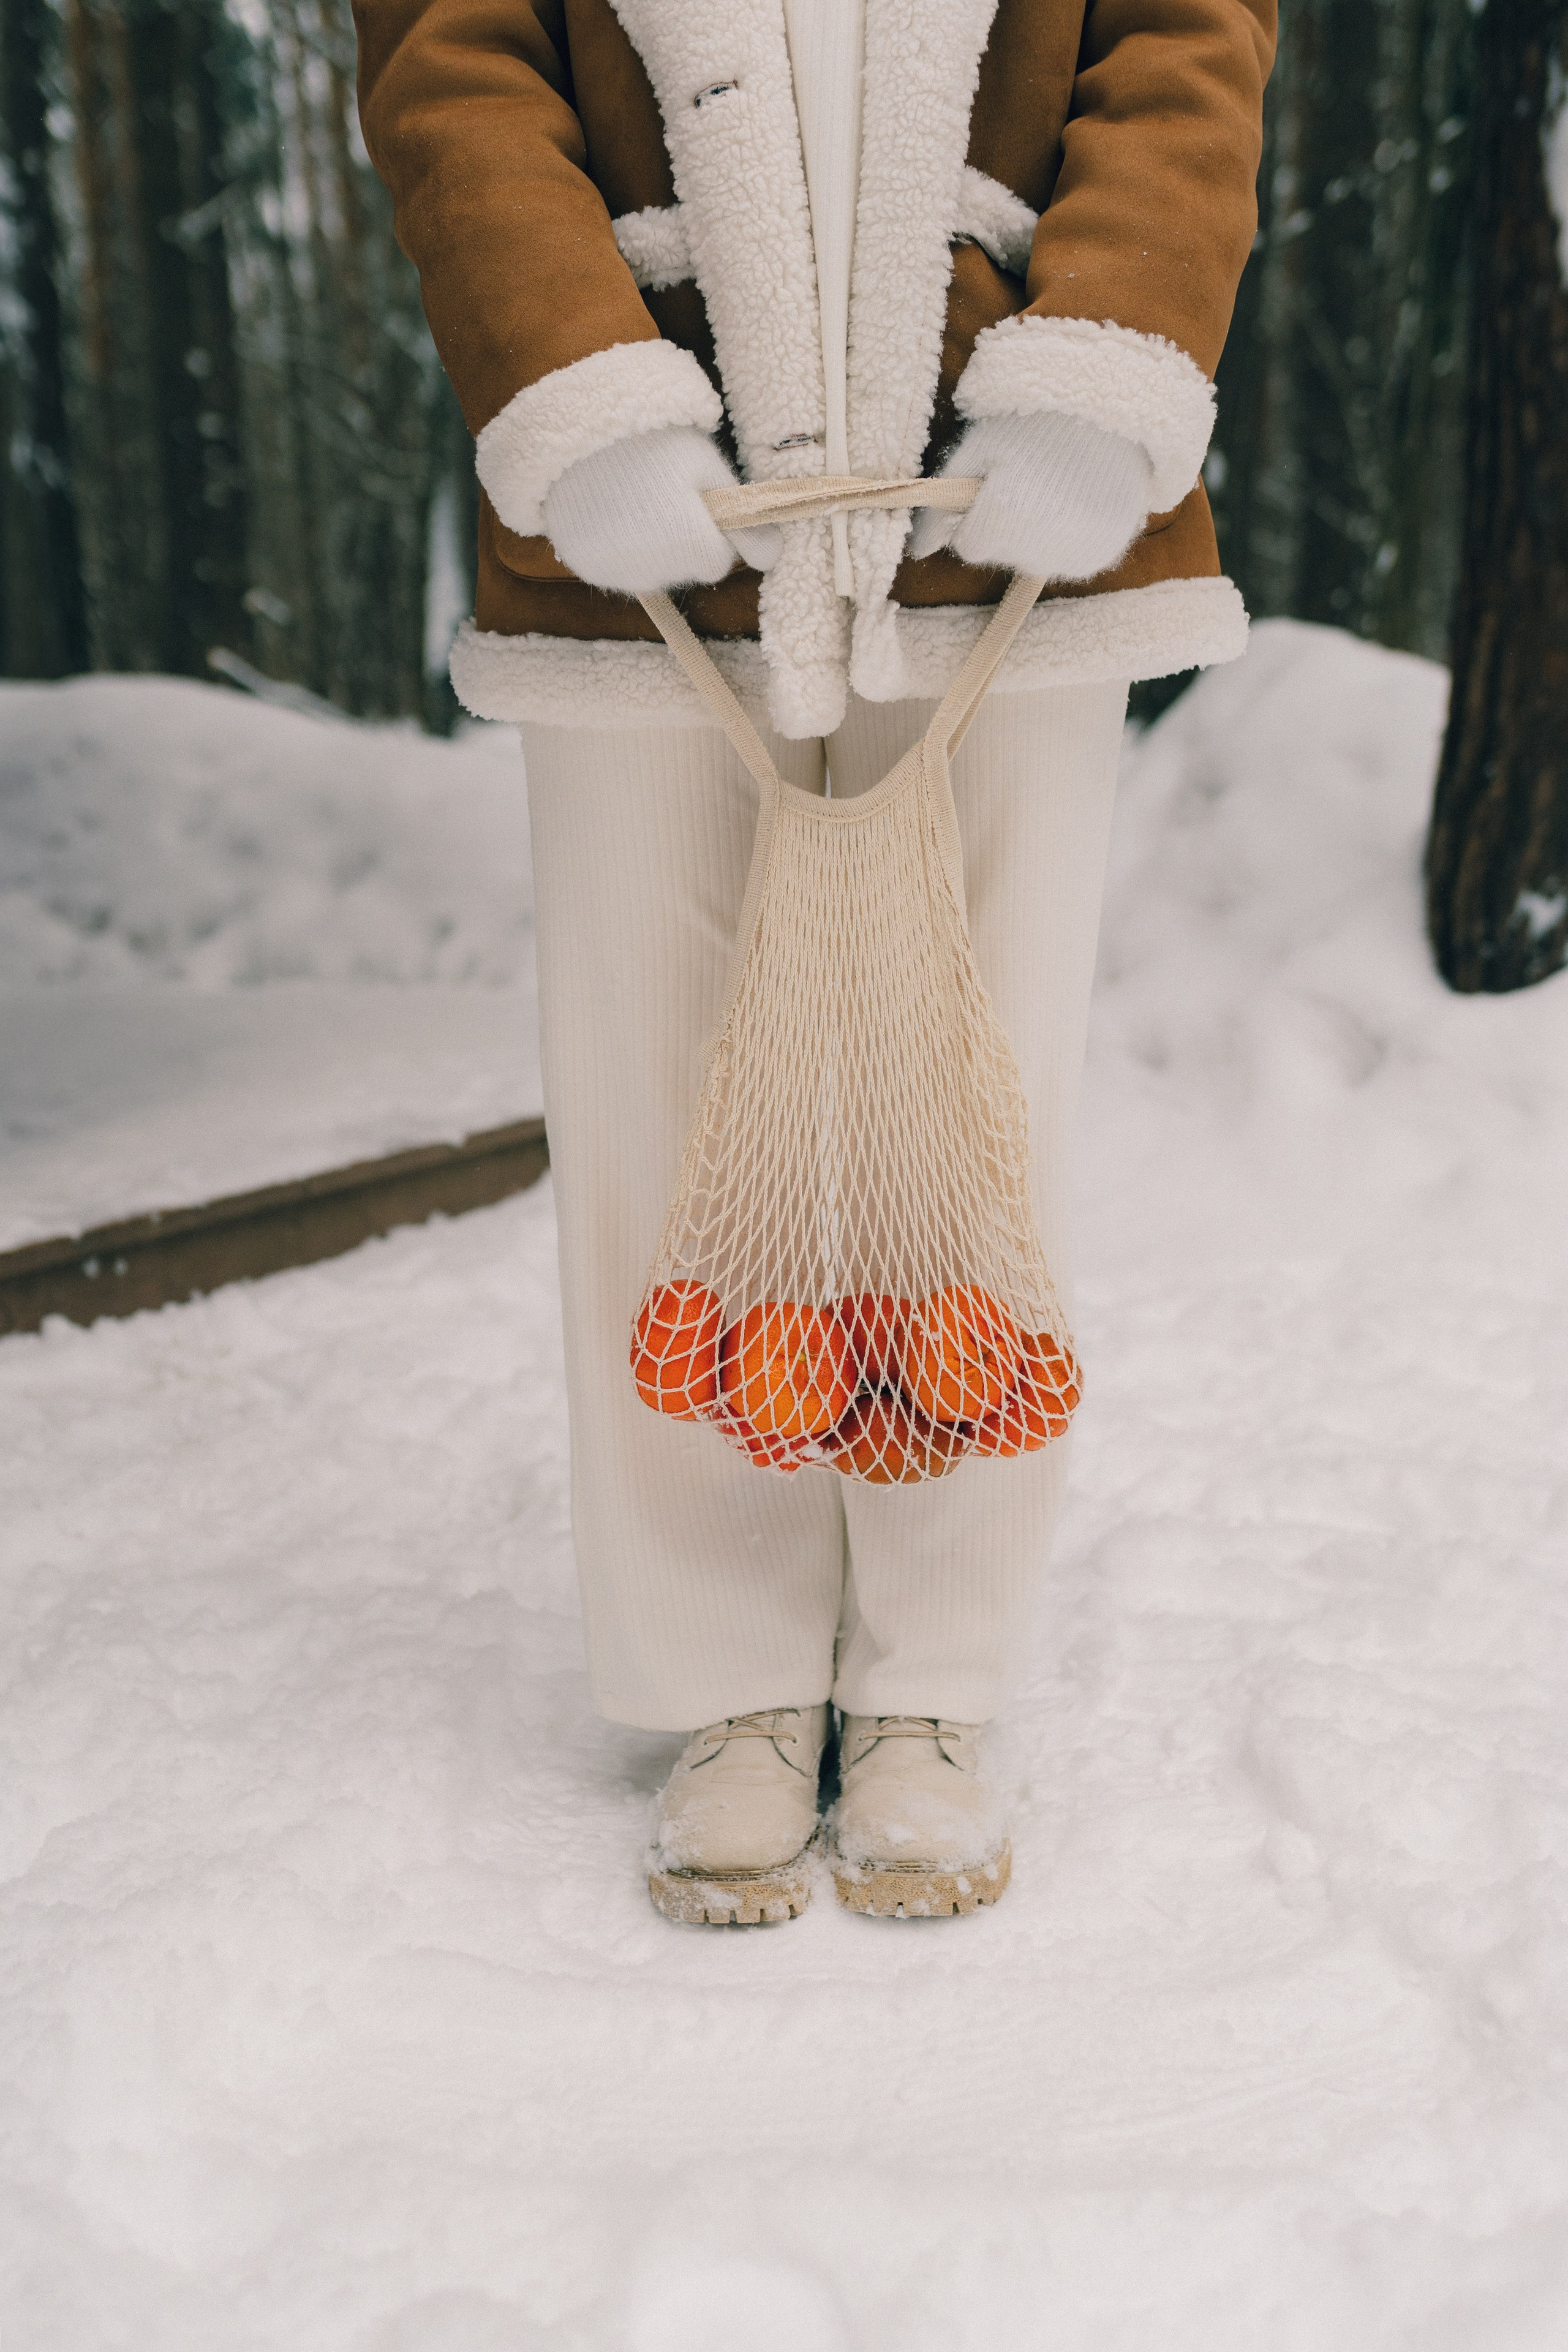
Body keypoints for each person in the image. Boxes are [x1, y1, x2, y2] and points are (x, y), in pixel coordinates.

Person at [355, 0, 1273, 1923]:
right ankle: (730, 1676)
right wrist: (572, 385)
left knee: (973, 1088)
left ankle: (932, 1685)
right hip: (644, 520)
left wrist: (1105, 366)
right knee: (660, 1103)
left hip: (1010, 493)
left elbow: (1186, 36)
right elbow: (456, 53)